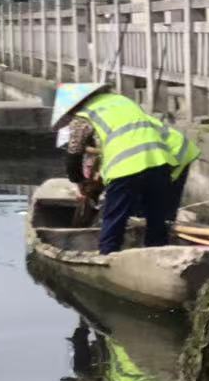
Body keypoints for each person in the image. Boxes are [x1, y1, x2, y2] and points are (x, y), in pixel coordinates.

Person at [50, 83, 199, 254]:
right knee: (157, 217)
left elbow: (73, 155)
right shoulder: (122, 101)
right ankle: (156, 254)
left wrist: (79, 181)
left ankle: (107, 257)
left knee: (114, 218)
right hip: (158, 159)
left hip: (125, 166)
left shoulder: (83, 117)